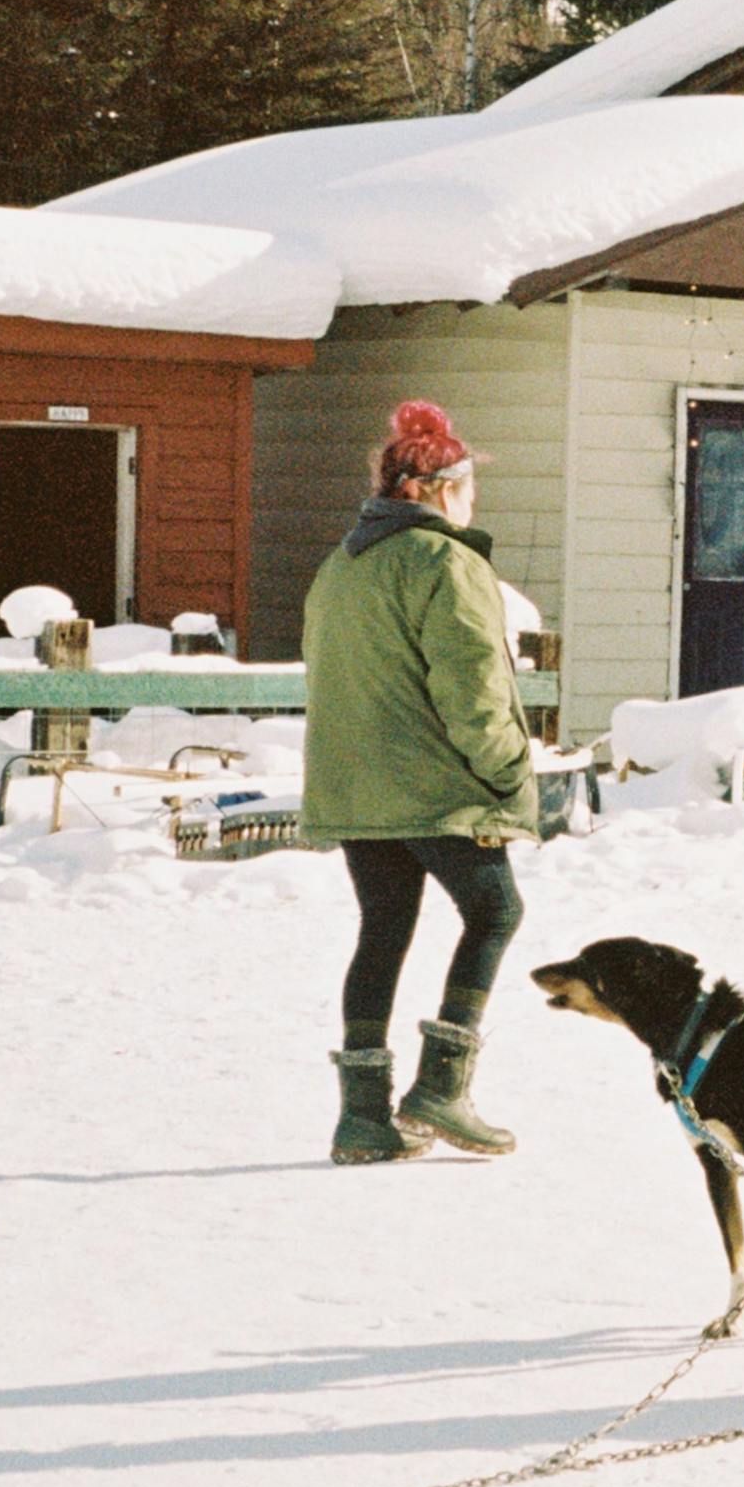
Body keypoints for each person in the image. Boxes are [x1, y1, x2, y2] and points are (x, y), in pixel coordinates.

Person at [302, 399, 534, 1164]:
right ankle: (441, 1087)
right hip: (435, 787)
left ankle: (363, 1118)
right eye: (469, 487)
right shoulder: (447, 562)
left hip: (353, 785)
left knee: (384, 926)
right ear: (440, 490)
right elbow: (472, 693)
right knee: (495, 910)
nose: (475, 502)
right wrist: (507, 773)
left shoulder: (342, 565)